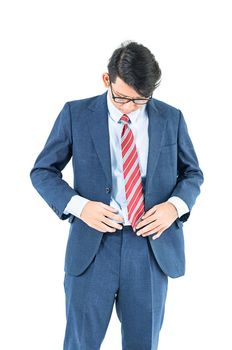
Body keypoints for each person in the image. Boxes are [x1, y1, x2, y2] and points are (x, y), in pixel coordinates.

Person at [30, 41, 203, 350]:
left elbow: (192, 174)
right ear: (106, 80)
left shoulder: (170, 118)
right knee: (81, 343)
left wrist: (174, 208)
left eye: (140, 100)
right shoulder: (76, 114)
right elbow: (43, 171)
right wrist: (80, 207)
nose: (129, 107)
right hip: (93, 247)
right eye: (122, 98)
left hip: (149, 248)